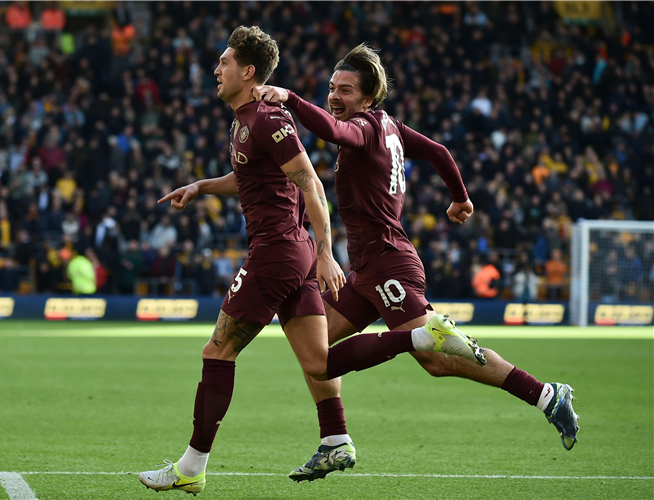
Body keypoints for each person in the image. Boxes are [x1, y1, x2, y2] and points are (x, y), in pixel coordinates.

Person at [139, 27, 484, 496]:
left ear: (248, 72)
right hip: (289, 253)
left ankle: (191, 466)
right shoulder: (243, 121)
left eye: (223, 62)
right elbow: (248, 176)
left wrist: (325, 253)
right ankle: (344, 428)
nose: (215, 70)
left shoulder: (269, 119)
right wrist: (201, 186)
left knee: (217, 351)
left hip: (277, 253)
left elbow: (312, 186)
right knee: (319, 363)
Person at [252, 42, 579, 481]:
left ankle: (544, 394)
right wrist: (460, 198)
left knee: (437, 360)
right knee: (314, 347)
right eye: (332, 87)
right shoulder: (391, 126)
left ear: (368, 98)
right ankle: (335, 440)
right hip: (368, 270)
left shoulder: (366, 126)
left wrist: (292, 99)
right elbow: (441, 152)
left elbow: (335, 131)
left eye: (346, 90)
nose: (335, 95)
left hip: (389, 265)